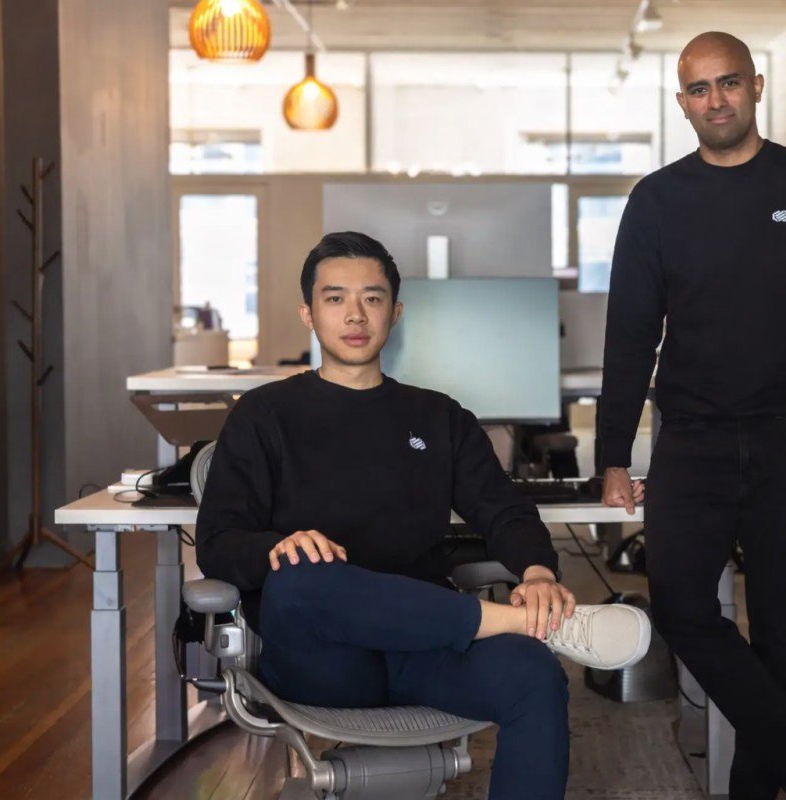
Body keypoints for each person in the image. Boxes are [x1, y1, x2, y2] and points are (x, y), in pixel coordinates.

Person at [196, 231, 651, 800]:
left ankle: (526, 626)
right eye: (335, 298)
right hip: (323, 661)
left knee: (534, 676)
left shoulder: (439, 418)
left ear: (396, 312)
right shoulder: (263, 415)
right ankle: (528, 624)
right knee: (300, 577)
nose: (355, 315)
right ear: (308, 313)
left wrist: (537, 572)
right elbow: (217, 541)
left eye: (373, 298)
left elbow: (504, 509)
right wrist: (276, 548)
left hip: (427, 650)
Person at [598, 32, 786, 800]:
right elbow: (630, 335)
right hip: (691, 441)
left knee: (784, 634)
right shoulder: (657, 200)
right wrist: (614, 455)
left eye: (728, 83)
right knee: (682, 611)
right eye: (699, 88)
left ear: (755, 86)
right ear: (681, 102)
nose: (715, 100)